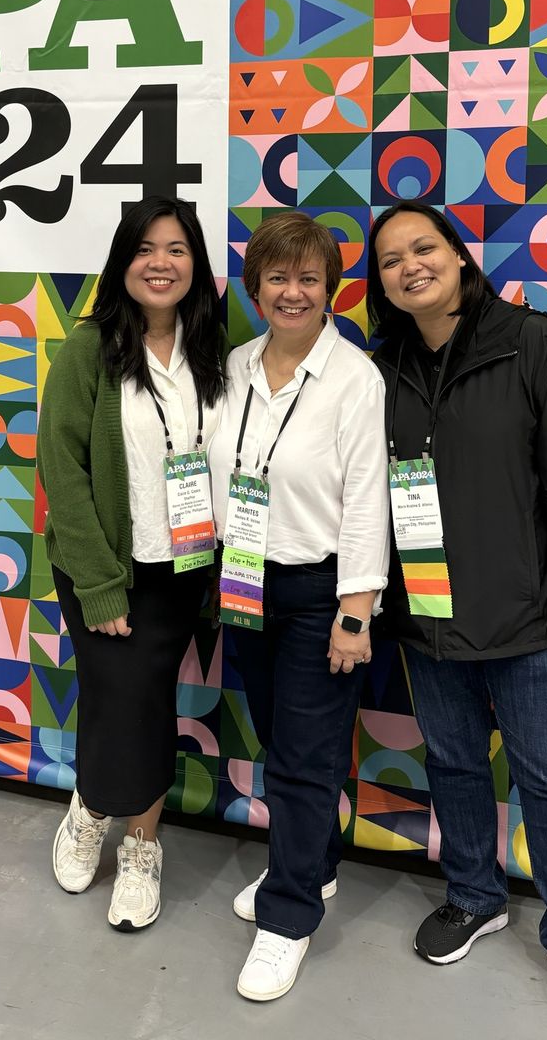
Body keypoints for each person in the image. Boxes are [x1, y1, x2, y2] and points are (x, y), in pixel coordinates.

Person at [367, 199, 547, 1033]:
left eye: (424, 248)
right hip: (427, 612)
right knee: (453, 763)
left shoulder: (532, 344)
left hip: (530, 616)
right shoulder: (381, 366)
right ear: (380, 284)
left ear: (458, 255)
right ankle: (475, 896)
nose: (410, 266)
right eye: (390, 260)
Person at [208, 211, 389, 1002]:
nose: (293, 292)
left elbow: (368, 504)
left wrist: (355, 613)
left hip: (321, 592)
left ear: (330, 290)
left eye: (308, 278)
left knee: (306, 758)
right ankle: (313, 866)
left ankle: (287, 920)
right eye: (277, 277)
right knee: (279, 738)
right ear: (255, 288)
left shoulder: (355, 379)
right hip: (244, 580)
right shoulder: (236, 366)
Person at [36, 196, 227, 931]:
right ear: (122, 261)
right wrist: (99, 583)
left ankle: (142, 843)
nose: (160, 263)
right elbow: (63, 471)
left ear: (195, 263)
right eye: (145, 249)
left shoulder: (213, 346)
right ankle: (92, 809)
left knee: (146, 699)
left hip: (182, 568)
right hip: (105, 566)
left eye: (177, 249)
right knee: (117, 694)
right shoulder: (89, 348)